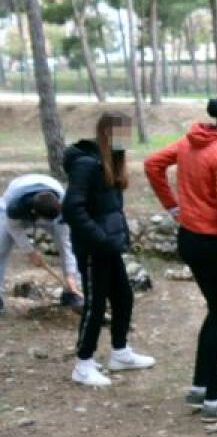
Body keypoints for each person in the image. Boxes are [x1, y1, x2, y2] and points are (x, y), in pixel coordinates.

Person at [144, 94, 217, 420]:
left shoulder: (190, 140)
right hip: (211, 244)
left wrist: (173, 207)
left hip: (189, 239)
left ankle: (199, 388)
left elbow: (152, 164)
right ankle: (214, 400)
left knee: (215, 313)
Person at [62, 112, 155, 387]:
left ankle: (120, 352)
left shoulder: (111, 162)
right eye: (120, 133)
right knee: (95, 302)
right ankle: (83, 364)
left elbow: (110, 208)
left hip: (109, 245)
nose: (125, 140)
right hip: (93, 247)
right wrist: (99, 238)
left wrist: (119, 236)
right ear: (106, 133)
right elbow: (71, 208)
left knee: (124, 297)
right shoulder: (86, 164)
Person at [1, 174, 83, 315]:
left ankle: (72, 292)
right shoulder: (15, 207)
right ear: (35, 213)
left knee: (70, 246)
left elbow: (66, 246)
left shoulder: (62, 209)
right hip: (16, 200)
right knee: (1, 247)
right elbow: (13, 227)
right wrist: (30, 252)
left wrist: (70, 276)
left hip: (49, 205)